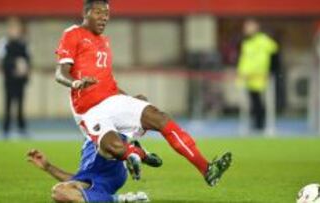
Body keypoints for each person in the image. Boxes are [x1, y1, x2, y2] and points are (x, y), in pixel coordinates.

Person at [55, 0, 231, 187]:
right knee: (113, 147)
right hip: (89, 110)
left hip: (112, 99)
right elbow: (60, 73)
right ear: (86, 13)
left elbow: (106, 81)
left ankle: (207, 169)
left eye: (106, 13)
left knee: (160, 118)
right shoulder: (73, 33)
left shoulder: (104, 42)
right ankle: (137, 153)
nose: (104, 17)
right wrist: (76, 82)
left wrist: (128, 100)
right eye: (99, 12)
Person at [27, 137, 162, 202]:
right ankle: (125, 199)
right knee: (59, 192)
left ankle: (134, 153)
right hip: (99, 178)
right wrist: (48, 167)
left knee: (104, 142)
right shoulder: (89, 136)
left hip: (106, 165)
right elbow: (79, 179)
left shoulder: (99, 121)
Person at [237, 19, 278, 131]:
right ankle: (256, 123)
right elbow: (245, 60)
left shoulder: (263, 40)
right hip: (248, 77)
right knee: (253, 101)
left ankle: (261, 124)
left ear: (256, 27)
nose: (246, 29)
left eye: (249, 27)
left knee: (260, 101)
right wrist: (241, 73)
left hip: (259, 76)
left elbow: (274, 52)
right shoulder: (247, 42)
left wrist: (270, 71)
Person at [0, 17, 31, 139]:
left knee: (20, 104)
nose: (15, 31)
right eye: (13, 29)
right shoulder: (4, 43)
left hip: (20, 80)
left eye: (17, 29)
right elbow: (3, 60)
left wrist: (24, 69)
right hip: (9, 79)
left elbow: (28, 59)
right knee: (8, 104)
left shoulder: (24, 43)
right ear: (9, 30)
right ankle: (5, 130)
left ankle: (21, 129)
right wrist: (15, 65)